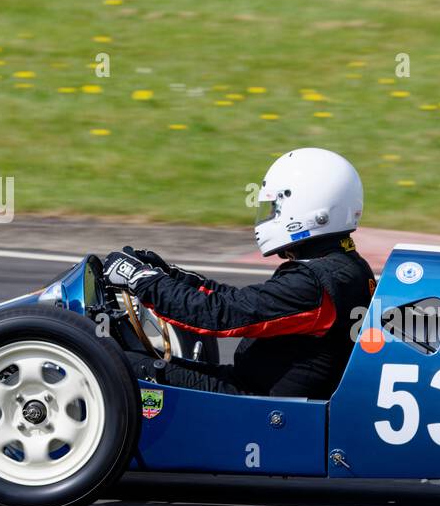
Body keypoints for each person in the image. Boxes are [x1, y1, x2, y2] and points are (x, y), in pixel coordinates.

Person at [102, 148, 376, 400]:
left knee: (117, 365)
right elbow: (238, 300)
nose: (270, 216)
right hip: (260, 392)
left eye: (275, 208)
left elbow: (220, 316)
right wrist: (168, 275)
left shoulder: (313, 285)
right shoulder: (343, 267)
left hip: (260, 407)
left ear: (314, 211)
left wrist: (140, 280)